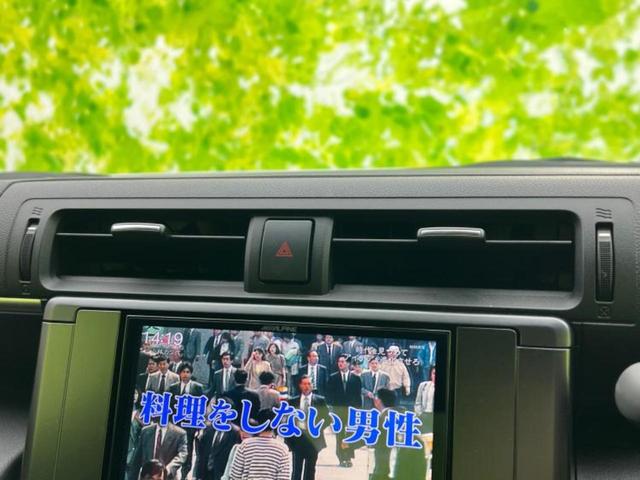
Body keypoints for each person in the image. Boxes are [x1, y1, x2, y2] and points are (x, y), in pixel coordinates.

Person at [286, 375, 329, 480]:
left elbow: (327, 419)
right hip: (298, 438)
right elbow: (288, 419)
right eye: (304, 384)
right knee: (296, 469)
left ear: (312, 386)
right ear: (300, 385)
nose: (307, 386)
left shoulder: (320, 401)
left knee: (310, 469)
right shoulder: (293, 401)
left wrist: (317, 428)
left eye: (309, 384)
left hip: (313, 439)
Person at [229, 410, 292, 480]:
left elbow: (235, 475)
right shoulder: (282, 449)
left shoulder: (245, 445)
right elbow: (284, 477)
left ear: (258, 423)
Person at [169, 362, 205, 480]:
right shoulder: (173, 388)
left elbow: (201, 408)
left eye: (188, 372)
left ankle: (184, 474)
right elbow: (169, 408)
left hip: (190, 425)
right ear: (179, 373)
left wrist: (199, 427)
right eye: (183, 372)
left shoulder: (198, 388)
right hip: (175, 424)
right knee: (173, 450)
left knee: (188, 451)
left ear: (191, 374)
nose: (185, 374)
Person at [326, 354, 362, 467]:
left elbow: (358, 396)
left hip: (351, 411)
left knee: (350, 434)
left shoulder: (356, 378)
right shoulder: (333, 377)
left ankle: (348, 457)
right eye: (339, 362)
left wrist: (358, 411)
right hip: (338, 410)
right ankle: (341, 457)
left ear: (348, 363)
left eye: (343, 361)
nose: (340, 364)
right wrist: (331, 409)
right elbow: (329, 395)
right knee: (340, 434)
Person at [195, 399, 242, 480]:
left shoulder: (235, 433)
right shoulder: (208, 430)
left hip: (222, 473)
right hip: (205, 473)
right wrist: (197, 474)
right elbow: (201, 454)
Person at [369, 388, 397, 480]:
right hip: (397, 465)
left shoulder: (381, 418)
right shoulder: (401, 416)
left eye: (376, 397)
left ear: (379, 401)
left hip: (383, 465)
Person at [414, 366, 436, 434]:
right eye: (434, 373)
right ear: (431, 374)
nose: (435, 376)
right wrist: (420, 414)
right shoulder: (423, 385)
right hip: (424, 415)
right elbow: (417, 402)